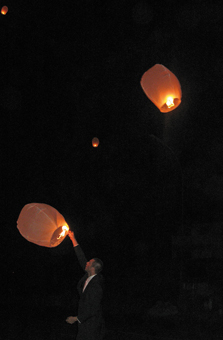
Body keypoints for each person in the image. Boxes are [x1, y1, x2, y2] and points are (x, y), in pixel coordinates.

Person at [66, 231, 105, 340]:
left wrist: (76, 318)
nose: (86, 263)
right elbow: (81, 258)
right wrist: (73, 239)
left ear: (92, 268)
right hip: (85, 323)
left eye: (89, 262)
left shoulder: (96, 286)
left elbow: (93, 308)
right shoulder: (89, 275)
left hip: (91, 324)